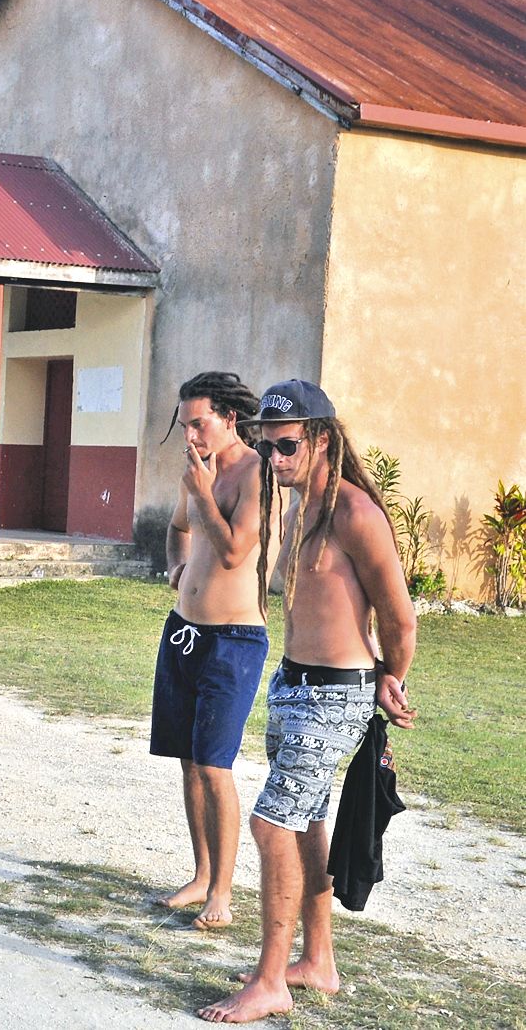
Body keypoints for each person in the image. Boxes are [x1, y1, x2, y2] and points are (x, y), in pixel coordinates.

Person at [199, 379, 417, 1024]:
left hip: (335, 694)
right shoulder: (298, 508)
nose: (276, 459)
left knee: (273, 824)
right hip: (294, 683)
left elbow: (399, 617)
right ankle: (317, 961)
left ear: (322, 439)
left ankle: (271, 980)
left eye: (287, 445)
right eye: (266, 448)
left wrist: (391, 677)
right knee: (307, 821)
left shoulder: (356, 514)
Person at [150, 372, 268, 930]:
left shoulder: (256, 474)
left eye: (199, 423)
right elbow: (179, 529)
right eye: (185, 425)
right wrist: (175, 566)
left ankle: (222, 891)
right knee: (188, 759)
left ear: (230, 418)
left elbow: (232, 550)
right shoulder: (194, 475)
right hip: (183, 631)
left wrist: (202, 493)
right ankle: (200, 875)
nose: (190, 435)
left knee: (216, 765)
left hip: (233, 640)